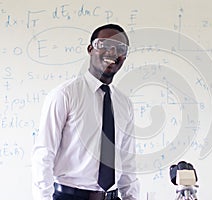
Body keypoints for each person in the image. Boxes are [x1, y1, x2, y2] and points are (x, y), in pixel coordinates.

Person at [32, 24, 139, 200]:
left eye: (120, 48)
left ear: (124, 56)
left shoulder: (124, 103)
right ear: (90, 49)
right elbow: (44, 154)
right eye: (104, 44)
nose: (112, 52)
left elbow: (127, 162)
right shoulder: (65, 95)